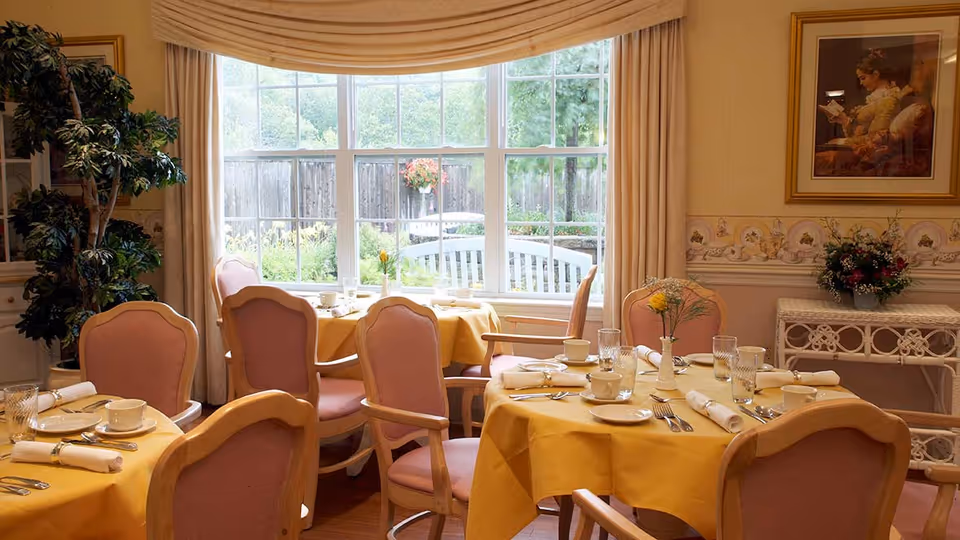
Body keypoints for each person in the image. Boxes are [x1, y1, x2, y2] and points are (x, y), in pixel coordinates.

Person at [819, 48, 903, 146]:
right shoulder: (877, 99)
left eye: (863, 78)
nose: (861, 83)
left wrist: (842, 142)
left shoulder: (888, 101)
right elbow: (861, 132)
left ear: (875, 75)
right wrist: (844, 120)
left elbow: (877, 138)